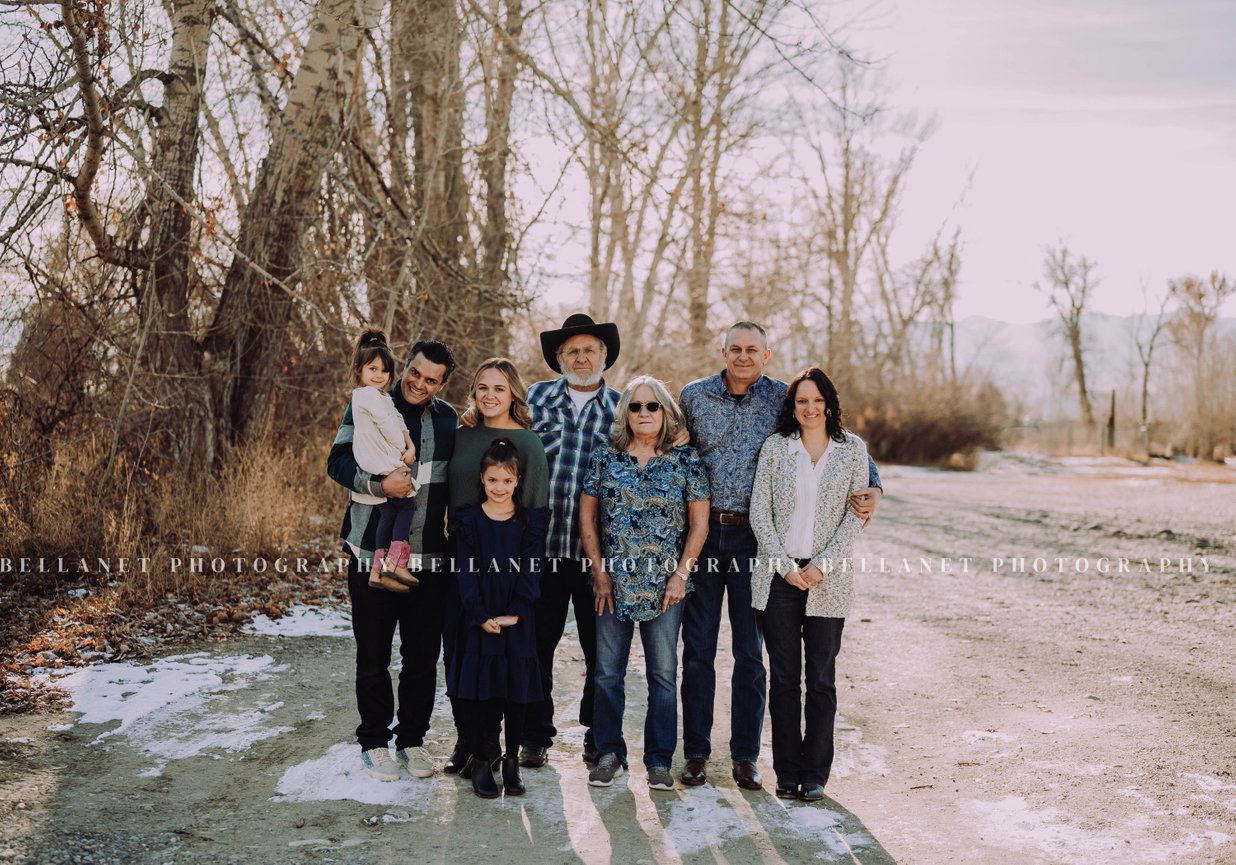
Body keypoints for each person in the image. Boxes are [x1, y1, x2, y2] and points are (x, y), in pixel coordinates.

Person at [677, 321, 883, 791]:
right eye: (736, 349)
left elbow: (855, 461)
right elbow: (669, 447)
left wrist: (876, 489)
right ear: (722, 350)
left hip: (755, 543)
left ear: (766, 355)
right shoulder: (693, 396)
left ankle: (746, 757)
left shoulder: (781, 398)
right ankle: (695, 753)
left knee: (751, 654)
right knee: (698, 651)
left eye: (753, 349)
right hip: (703, 536)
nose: (743, 356)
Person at [327, 338, 457, 783]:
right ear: (406, 368)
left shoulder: (447, 420)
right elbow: (338, 462)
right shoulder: (369, 402)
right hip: (370, 553)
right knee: (374, 654)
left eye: (431, 380)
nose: (419, 383)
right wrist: (381, 487)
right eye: (415, 373)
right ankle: (375, 743)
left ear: (443, 384)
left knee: (422, 657)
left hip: (428, 560)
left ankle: (412, 741)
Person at [580, 376, 710, 790]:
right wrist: (600, 573)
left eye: (652, 406)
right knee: (606, 673)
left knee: (663, 675)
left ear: (666, 412)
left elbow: (699, 524)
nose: (644, 414)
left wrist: (681, 574)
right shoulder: (605, 458)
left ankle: (658, 761)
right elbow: (587, 518)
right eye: (635, 407)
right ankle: (608, 753)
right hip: (613, 584)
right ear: (625, 414)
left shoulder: (686, 460)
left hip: (666, 587)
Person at [749, 367, 869, 802]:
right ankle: (786, 771)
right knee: (783, 679)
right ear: (792, 406)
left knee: (820, 679)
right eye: (802, 400)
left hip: (828, 580)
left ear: (830, 404)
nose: (810, 408)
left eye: (818, 400)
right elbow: (759, 513)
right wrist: (784, 566)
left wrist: (821, 566)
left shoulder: (853, 451)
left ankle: (815, 773)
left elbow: (857, 514)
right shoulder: (776, 449)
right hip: (779, 579)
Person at [518, 314, 623, 769]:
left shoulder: (624, 410)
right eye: (572, 352)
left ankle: (597, 737)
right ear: (559, 358)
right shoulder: (534, 398)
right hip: (540, 548)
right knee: (535, 645)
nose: (582, 358)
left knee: (601, 651)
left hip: (595, 556)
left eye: (590, 350)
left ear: (604, 357)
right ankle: (535, 735)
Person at [445, 358, 549, 775]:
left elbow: (537, 518)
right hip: (463, 557)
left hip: (505, 569)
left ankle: (496, 750)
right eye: (482, 387)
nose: (490, 395)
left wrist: (522, 588)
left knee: (503, 658)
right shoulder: (461, 436)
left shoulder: (528, 444)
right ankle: (466, 741)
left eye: (499, 388)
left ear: (514, 394)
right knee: (458, 653)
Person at [347, 329, 421, 591]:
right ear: (359, 369)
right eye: (372, 369)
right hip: (378, 459)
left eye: (385, 371)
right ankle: (396, 562)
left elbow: (398, 421)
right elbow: (387, 425)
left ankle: (378, 572)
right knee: (407, 505)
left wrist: (410, 444)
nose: (379, 375)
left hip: (381, 456)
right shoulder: (366, 395)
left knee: (387, 512)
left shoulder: (382, 397)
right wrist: (403, 447)